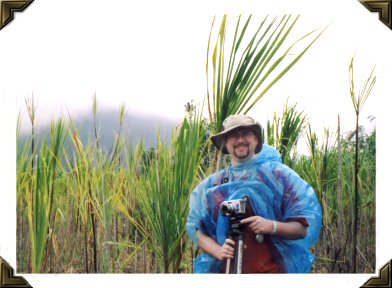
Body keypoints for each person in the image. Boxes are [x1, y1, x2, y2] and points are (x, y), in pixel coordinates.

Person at [186, 114, 322, 273]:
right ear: (225, 143)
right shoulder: (213, 185)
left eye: (246, 133)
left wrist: (272, 226)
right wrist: (218, 251)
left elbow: (301, 230)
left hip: (270, 275)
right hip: (227, 276)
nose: (240, 140)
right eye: (233, 135)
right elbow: (196, 230)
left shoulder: (279, 177)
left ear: (256, 139)